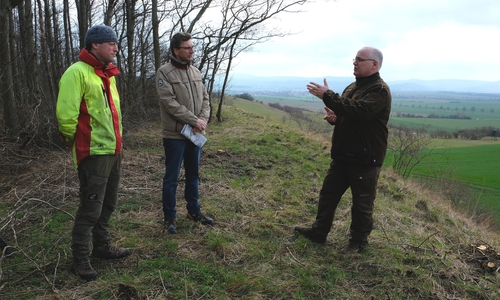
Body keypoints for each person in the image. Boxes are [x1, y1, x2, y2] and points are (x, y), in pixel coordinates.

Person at [295, 46, 392, 252]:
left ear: (374, 65)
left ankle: (358, 244)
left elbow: (360, 111)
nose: (354, 62)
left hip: (365, 159)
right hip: (343, 155)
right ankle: (319, 232)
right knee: (328, 195)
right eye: (354, 59)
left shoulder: (379, 90)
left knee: (362, 205)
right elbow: (350, 115)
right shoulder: (353, 87)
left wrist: (328, 95)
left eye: (360, 59)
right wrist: (336, 118)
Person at [56, 25, 131, 281]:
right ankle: (80, 258)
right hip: (93, 154)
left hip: (114, 151)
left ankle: (101, 247)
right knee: (90, 208)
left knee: (108, 204)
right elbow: (66, 116)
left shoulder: (108, 74)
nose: (116, 47)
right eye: (111, 43)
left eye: (116, 43)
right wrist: (75, 141)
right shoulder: (76, 73)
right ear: (94, 45)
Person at [155, 32, 213, 234]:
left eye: (192, 46)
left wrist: (201, 121)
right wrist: (193, 120)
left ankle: (193, 211)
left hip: (195, 133)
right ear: (175, 50)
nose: (192, 50)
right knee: (171, 177)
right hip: (175, 135)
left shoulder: (196, 72)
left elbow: (206, 99)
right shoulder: (164, 73)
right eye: (187, 47)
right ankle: (170, 217)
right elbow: (170, 104)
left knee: (193, 174)